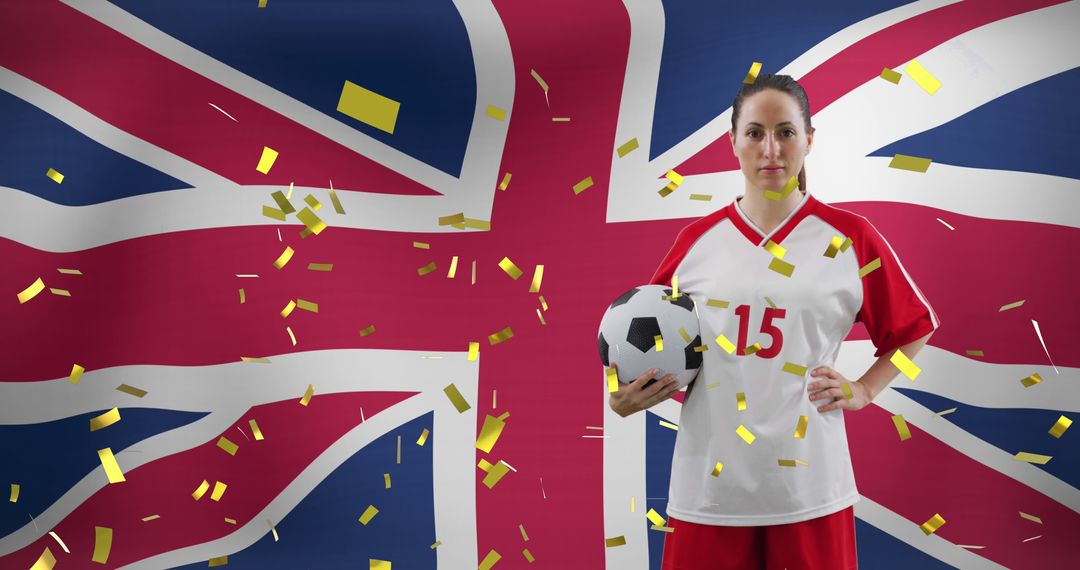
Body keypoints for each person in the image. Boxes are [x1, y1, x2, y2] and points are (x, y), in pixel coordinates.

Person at [608, 74, 939, 569]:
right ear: (733, 142)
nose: (771, 149)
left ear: (809, 138)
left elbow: (916, 331)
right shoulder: (696, 242)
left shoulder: (851, 238)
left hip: (810, 489)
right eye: (756, 132)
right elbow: (638, 339)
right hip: (709, 492)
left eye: (785, 132)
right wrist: (622, 395)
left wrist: (866, 390)